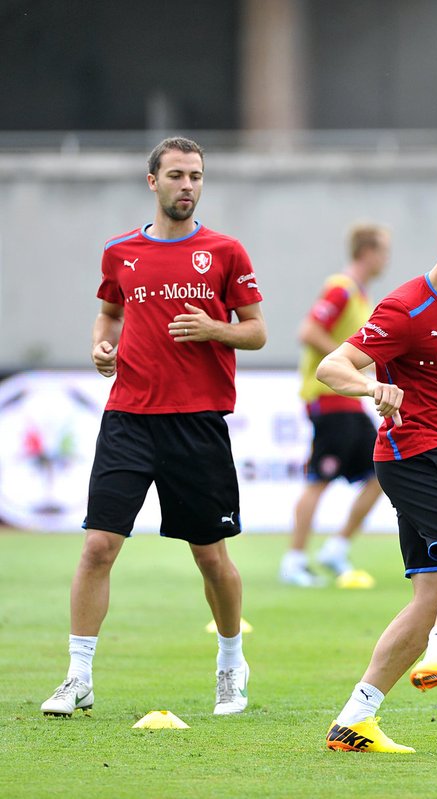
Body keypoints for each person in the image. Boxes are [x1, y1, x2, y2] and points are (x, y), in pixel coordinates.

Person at [40, 137, 266, 718]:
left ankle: (230, 662)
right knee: (98, 546)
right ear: (152, 182)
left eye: (195, 175)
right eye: (176, 175)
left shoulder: (225, 251)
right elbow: (109, 313)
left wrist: (215, 329)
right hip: (129, 417)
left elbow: (257, 331)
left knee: (210, 557)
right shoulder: (120, 252)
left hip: (196, 422)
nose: (187, 185)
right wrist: (100, 345)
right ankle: (78, 677)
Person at [316, 201, 437, 754]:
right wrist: (371, 388)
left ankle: (354, 721)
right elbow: (330, 365)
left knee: (429, 599)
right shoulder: (405, 308)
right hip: (415, 454)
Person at [279, 224, 391, 588]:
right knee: (319, 479)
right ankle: (294, 560)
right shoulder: (341, 289)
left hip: (350, 403)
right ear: (368, 252)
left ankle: (336, 547)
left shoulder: (360, 295)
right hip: (329, 399)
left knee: (383, 473)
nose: (386, 259)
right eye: (383, 250)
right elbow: (309, 331)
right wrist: (340, 363)